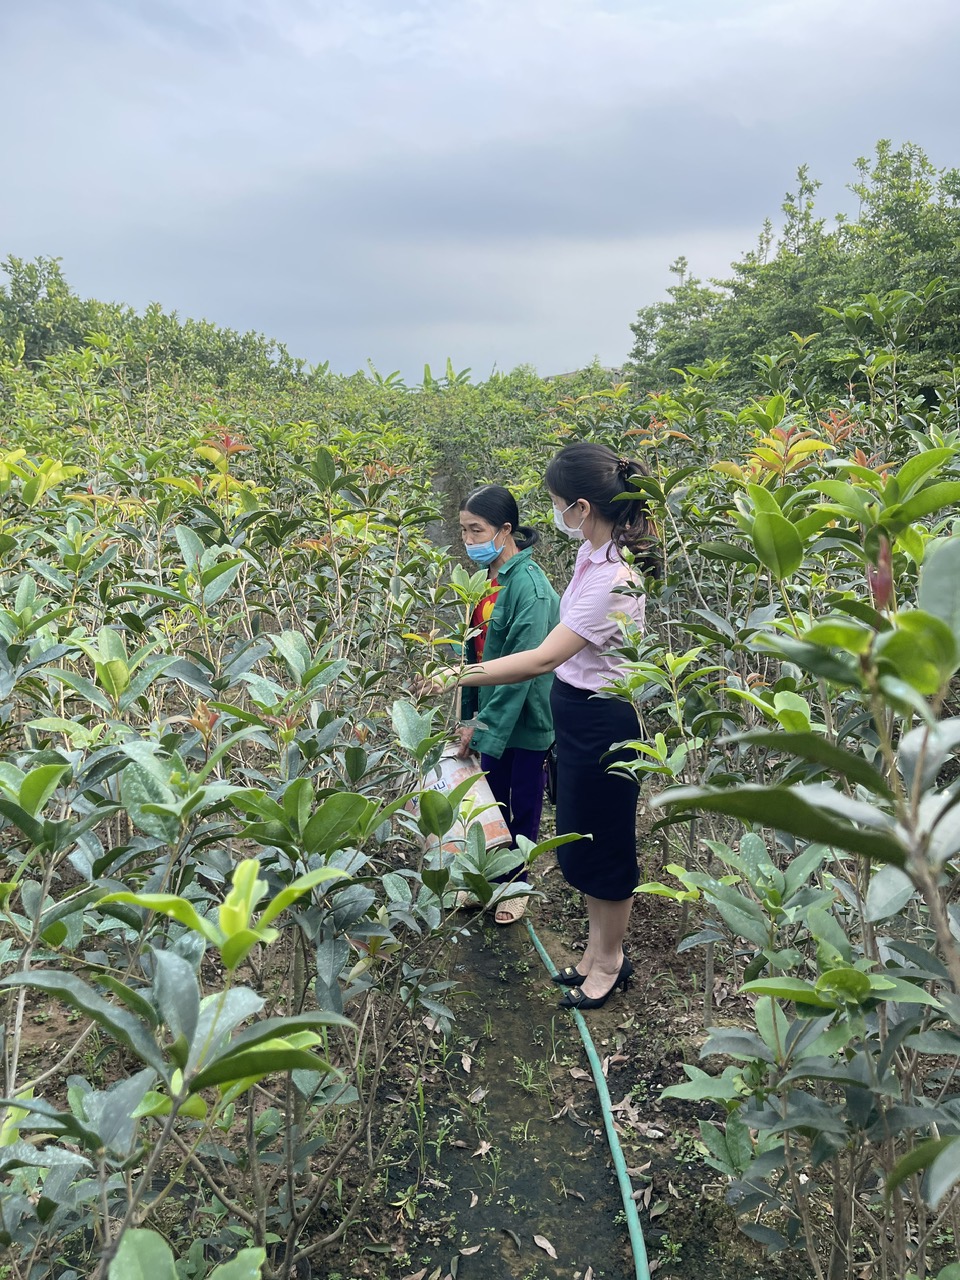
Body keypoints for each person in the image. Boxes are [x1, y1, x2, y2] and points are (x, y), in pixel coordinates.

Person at [434, 444, 655, 1009]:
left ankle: (610, 962)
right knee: (580, 839)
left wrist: (460, 675)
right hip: (577, 713)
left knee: (606, 845)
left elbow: (539, 657)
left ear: (581, 507)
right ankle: (593, 954)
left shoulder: (615, 578)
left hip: (604, 720)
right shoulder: (591, 556)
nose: (553, 514)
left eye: (558, 503)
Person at [456, 485, 559, 924]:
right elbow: (474, 655)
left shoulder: (530, 589)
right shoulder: (489, 583)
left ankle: (516, 884)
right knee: (489, 799)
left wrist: (482, 725)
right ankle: (486, 879)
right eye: (462, 531)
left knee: (524, 801)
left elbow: (521, 672)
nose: (469, 541)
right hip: (490, 713)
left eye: (476, 530)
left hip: (527, 715)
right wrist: (468, 716)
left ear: (505, 530)